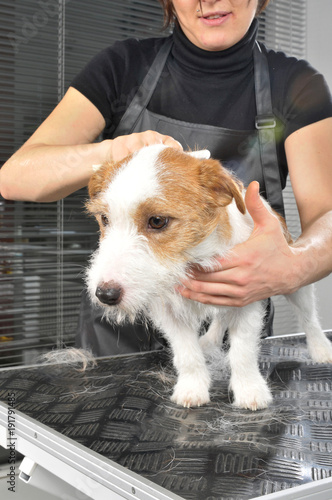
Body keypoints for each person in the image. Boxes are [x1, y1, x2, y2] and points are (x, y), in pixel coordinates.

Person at [1, 0, 332, 355]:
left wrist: (294, 267)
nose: (210, 1)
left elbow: (326, 216)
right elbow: (14, 177)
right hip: (117, 332)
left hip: (231, 318)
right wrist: (110, 152)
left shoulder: (298, 85)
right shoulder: (123, 67)